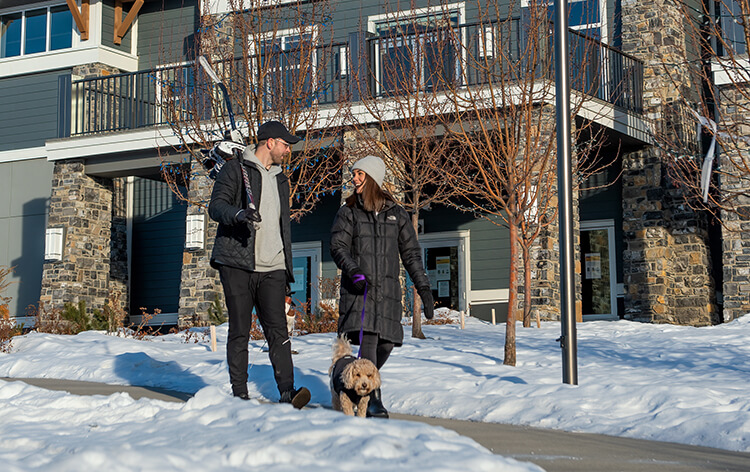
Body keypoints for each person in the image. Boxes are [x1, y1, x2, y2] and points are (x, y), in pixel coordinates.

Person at [208, 120, 310, 409]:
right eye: (285, 144)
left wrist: (286, 268)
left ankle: (288, 392)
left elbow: (283, 227)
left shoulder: (280, 178)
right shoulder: (235, 169)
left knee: (277, 330)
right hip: (238, 262)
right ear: (269, 142)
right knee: (240, 328)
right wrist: (239, 214)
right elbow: (216, 206)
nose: (288, 150)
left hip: (273, 265)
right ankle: (239, 392)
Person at [330, 155, 434, 418]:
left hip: (387, 294)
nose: (354, 179)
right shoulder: (348, 212)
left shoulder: (397, 215)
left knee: (387, 343)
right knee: (370, 338)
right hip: (360, 291)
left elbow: (411, 254)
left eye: (359, 174)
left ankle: (354, 382)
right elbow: (338, 246)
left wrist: (424, 288)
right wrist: (353, 270)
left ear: (373, 178)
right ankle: (373, 400)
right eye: (353, 174)